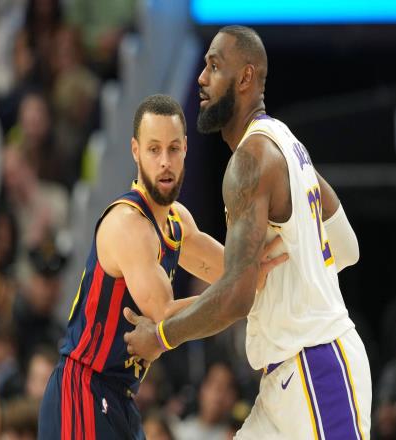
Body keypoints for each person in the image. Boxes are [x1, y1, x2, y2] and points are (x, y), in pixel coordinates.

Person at [124, 26, 372, 439]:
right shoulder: (288, 144)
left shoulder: (250, 161)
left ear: (245, 78)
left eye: (214, 66)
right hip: (283, 378)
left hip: (317, 368)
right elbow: (347, 248)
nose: (202, 77)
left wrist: (162, 337)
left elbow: (237, 296)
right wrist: (294, 262)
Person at [38, 94, 285, 439]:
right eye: (154, 150)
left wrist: (266, 259)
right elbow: (166, 317)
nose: (165, 161)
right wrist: (241, 292)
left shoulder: (177, 221)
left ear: (186, 150)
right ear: (135, 151)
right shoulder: (128, 224)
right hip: (82, 388)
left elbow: (233, 273)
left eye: (173, 149)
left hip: (120, 394)